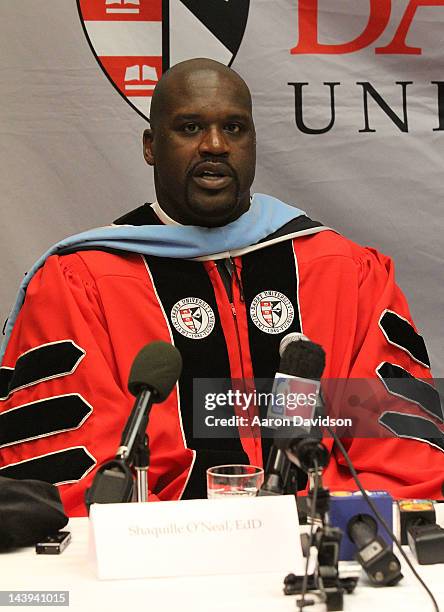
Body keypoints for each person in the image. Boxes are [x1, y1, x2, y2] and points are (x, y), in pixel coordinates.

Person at [0, 59, 443, 517]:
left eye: (234, 128)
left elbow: (395, 447)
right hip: (157, 557)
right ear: (152, 146)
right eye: (190, 127)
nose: (215, 145)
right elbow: (79, 464)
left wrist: (316, 525)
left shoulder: (345, 272)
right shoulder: (81, 281)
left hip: (319, 542)